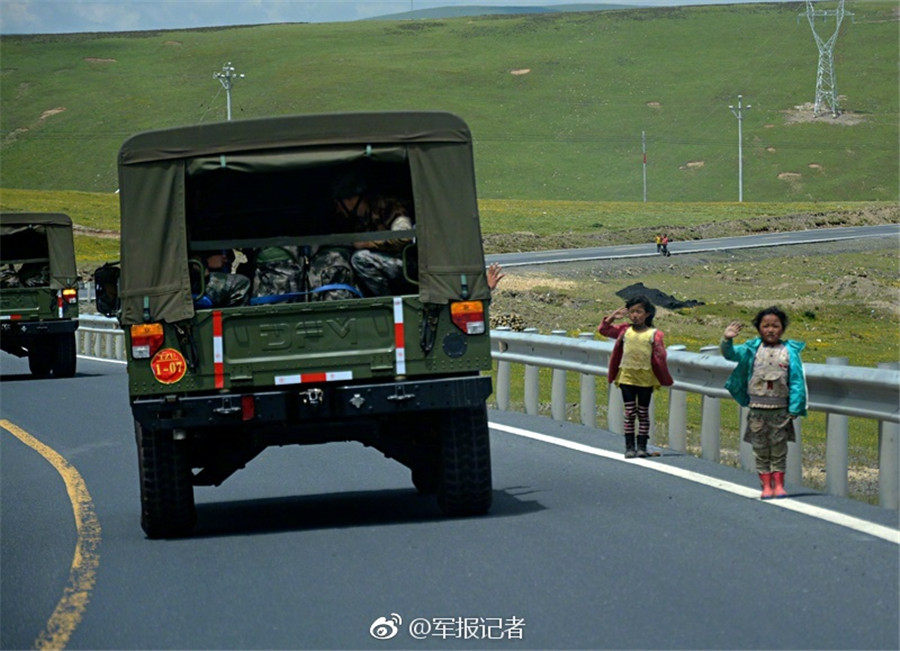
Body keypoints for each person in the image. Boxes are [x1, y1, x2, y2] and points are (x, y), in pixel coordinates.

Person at [721, 307, 807, 499]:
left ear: (782, 329)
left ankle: (779, 485)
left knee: (779, 450)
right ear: (758, 329)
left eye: (775, 326)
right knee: (760, 450)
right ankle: (766, 486)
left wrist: (795, 406)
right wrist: (727, 339)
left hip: (780, 411)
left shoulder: (789, 352)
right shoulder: (751, 349)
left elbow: (796, 381)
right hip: (757, 410)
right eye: (765, 326)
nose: (770, 330)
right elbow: (731, 355)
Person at [598, 295, 673, 458]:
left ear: (647, 314)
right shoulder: (624, 330)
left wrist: (663, 376)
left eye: (639, 312)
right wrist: (611, 317)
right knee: (630, 412)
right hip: (626, 376)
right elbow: (603, 330)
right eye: (631, 312)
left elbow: (660, 356)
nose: (635, 315)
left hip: (646, 378)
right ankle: (629, 447)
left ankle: (642, 446)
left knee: (643, 412)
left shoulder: (655, 334)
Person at [333, 176, 415, 297]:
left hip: (408, 264)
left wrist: (368, 243)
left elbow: (404, 237)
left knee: (360, 258)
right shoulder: (359, 219)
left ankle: (386, 300)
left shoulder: (389, 207)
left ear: (351, 200)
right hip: (389, 264)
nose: (338, 210)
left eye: (339, 204)